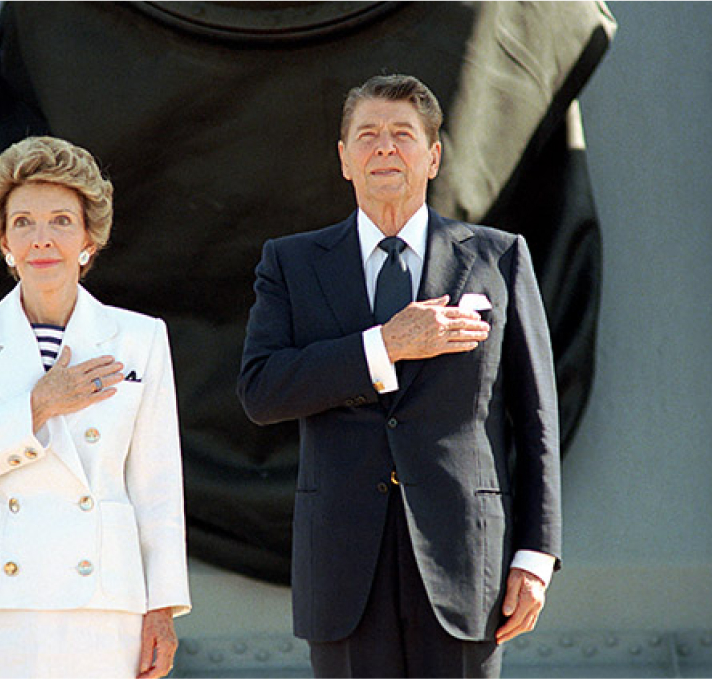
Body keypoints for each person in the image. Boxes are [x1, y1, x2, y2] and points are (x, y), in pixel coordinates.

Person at [238, 74, 562, 678]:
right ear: (344, 159)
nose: (384, 148)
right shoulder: (291, 263)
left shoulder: (498, 257)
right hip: (342, 571)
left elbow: (536, 415)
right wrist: (385, 345)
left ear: (433, 156)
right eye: (368, 135)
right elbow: (262, 389)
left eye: (402, 135)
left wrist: (537, 554)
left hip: (467, 565)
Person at [0, 136, 190, 678]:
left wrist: (161, 608)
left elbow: (157, 485)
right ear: (2, 239)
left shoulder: (139, 339)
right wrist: (37, 406)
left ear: (89, 236)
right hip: (2, 606)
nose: (41, 239)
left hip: (105, 602)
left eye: (61, 221)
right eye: (23, 222)